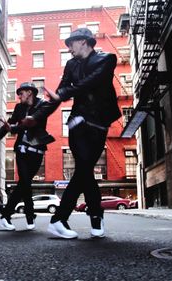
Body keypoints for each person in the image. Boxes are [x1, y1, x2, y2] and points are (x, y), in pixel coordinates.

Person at [44, 28, 122, 239]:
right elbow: (60, 91)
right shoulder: (71, 65)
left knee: (84, 170)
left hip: (99, 124)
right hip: (78, 122)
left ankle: (95, 215)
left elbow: (91, 82)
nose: (68, 48)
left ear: (84, 42)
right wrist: (40, 112)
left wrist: (64, 94)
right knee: (85, 167)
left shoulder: (107, 59)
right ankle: (59, 219)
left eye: (71, 43)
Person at [0, 82, 57, 231]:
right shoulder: (19, 108)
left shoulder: (42, 105)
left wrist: (14, 128)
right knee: (25, 182)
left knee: (24, 184)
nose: (18, 96)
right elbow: (8, 125)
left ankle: (29, 215)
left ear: (29, 92)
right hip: (22, 150)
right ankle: (6, 216)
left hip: (37, 151)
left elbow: (32, 123)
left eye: (20, 93)